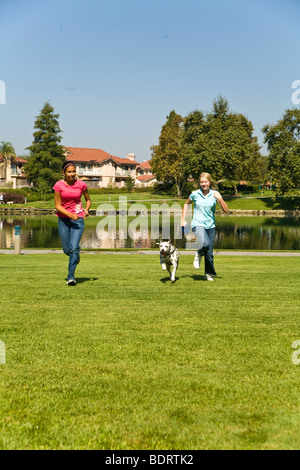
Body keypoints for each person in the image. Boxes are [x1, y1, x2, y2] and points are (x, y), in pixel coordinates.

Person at [181, 172, 228, 281]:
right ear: (199, 183)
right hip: (197, 224)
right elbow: (186, 204)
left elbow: (226, 210)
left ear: (209, 182)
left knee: (210, 253)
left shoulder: (215, 194)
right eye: (201, 182)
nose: (203, 184)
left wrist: (220, 199)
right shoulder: (195, 194)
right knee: (205, 243)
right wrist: (183, 219)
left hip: (211, 226)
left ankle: (208, 273)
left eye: (205, 182)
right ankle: (198, 253)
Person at [53, 161, 91, 285]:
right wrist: (70, 215)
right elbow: (58, 206)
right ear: (63, 173)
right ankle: (76, 256)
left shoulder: (81, 185)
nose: (72, 174)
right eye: (69, 171)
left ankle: (71, 277)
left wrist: (86, 210)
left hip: (78, 220)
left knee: (74, 248)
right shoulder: (58, 185)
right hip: (63, 220)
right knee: (67, 250)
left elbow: (88, 200)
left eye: (74, 171)